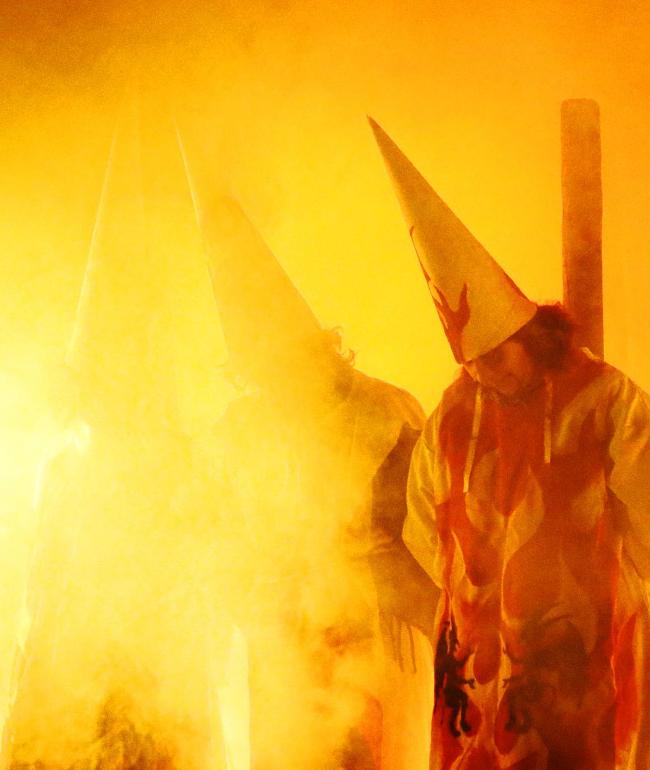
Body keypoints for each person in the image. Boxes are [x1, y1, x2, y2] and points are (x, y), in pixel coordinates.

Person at [370, 118, 650, 770]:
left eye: (497, 358)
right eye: (475, 365)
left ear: (531, 336)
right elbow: (424, 531)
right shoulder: (452, 417)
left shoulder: (607, 401)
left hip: (591, 655)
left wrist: (631, 604)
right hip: (488, 666)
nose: (487, 375)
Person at [181, 152, 439, 770]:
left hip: (378, 625)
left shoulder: (385, 411)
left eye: (279, 368)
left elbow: (433, 530)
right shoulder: (243, 428)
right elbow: (217, 535)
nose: (270, 384)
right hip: (282, 630)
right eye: (258, 374)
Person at [4, 113, 229, 770]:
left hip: (158, 670)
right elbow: (43, 587)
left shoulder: (180, 463)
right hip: (71, 671)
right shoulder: (66, 468)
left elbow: (206, 565)